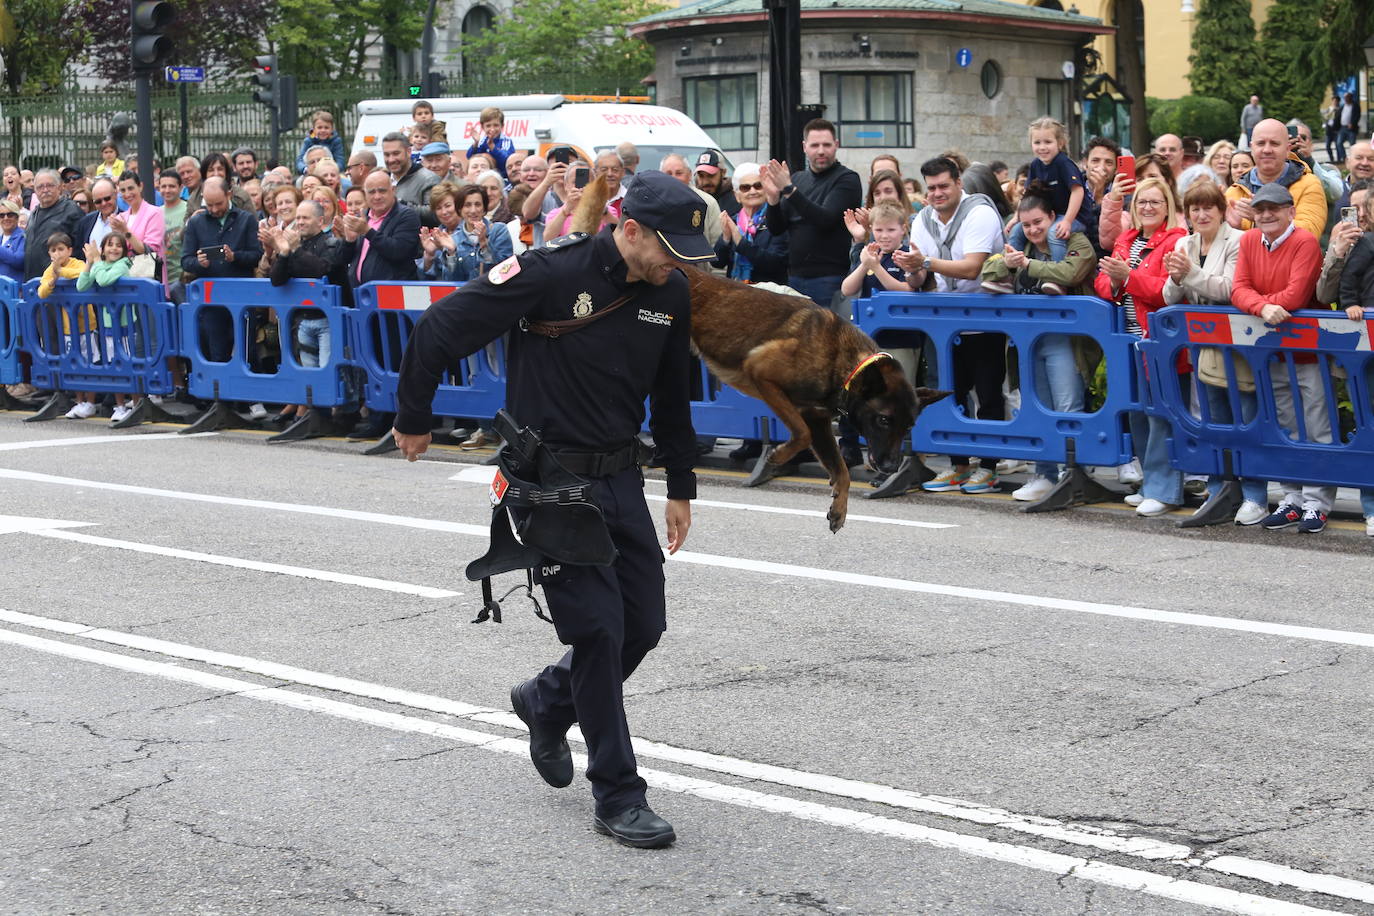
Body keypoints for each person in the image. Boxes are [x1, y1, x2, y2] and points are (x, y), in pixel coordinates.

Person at [391, 171, 707, 850]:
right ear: (628, 230)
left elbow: (674, 396)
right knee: (597, 631)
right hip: (550, 482)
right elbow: (442, 326)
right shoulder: (548, 274)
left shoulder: (672, 291)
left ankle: (547, 700)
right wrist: (414, 414)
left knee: (642, 627)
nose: (676, 264)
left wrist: (682, 484)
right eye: (667, 249)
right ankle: (619, 794)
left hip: (621, 478)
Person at [977, 194, 1096, 501]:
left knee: (1068, 406)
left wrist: (1029, 265)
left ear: (1054, 217)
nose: (1032, 230)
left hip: (1066, 340)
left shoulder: (1074, 239)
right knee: (1037, 408)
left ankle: (1074, 472)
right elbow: (986, 274)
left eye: (1038, 222)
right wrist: (1006, 263)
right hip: (1027, 343)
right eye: (1026, 224)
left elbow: (1072, 272)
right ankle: (1044, 473)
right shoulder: (1020, 244)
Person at [899, 156, 1006, 495]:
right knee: (951, 394)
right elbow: (920, 277)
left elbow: (972, 267)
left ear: (960, 183)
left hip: (985, 318)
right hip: (943, 324)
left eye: (944, 186)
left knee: (988, 393)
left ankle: (988, 467)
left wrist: (925, 262)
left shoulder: (980, 212)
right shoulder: (922, 220)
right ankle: (959, 465)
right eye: (931, 188)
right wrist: (912, 269)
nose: (937, 194)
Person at [1226, 183, 1328, 533]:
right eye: (1260, 209)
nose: (1267, 214)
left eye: (1274, 208)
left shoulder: (1305, 241)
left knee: (1316, 427)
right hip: (1271, 349)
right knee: (1286, 427)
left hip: (1308, 352)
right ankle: (1292, 498)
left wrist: (1265, 302)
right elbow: (1238, 288)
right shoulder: (1249, 240)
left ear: (1291, 211)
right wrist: (1264, 306)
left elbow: (1297, 294)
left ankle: (1317, 503)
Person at [1160, 180, 1258, 525]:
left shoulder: (1238, 240)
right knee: (1214, 421)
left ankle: (1254, 494)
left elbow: (1230, 289)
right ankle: (1219, 488)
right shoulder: (1185, 243)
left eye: (1208, 208)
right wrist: (1175, 277)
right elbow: (1169, 297)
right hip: (1202, 344)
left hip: (1237, 345)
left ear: (1221, 211)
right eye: (1195, 209)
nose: (1201, 215)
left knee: (1244, 418)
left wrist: (1190, 273)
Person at [1093, 177, 1188, 517]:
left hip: (1160, 341)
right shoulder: (1126, 238)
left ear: (1168, 207)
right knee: (1138, 414)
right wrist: (1119, 279)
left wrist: (1127, 277)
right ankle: (1150, 483)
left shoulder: (1178, 241)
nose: (1148, 208)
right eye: (1142, 202)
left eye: (1155, 202)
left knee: (1162, 416)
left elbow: (1167, 290)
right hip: (1128, 338)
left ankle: (1165, 490)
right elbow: (1103, 282)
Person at [336, 170, 421, 442]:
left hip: (392, 307)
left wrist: (368, 233)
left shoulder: (405, 216)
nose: (376, 196)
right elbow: (344, 259)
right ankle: (376, 418)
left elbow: (399, 251)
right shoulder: (364, 219)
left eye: (381, 191)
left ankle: (395, 420)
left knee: (393, 362)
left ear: (392, 189)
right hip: (364, 304)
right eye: (371, 192)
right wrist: (350, 239)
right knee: (371, 363)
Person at [762, 118, 863, 311]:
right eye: (815, 145)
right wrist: (773, 199)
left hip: (829, 278)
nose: (821, 151)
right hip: (794, 276)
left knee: (825, 339)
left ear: (836, 145)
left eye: (826, 144)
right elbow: (776, 228)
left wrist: (789, 190)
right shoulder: (798, 178)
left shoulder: (847, 179)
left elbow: (825, 219)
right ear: (804, 147)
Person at [179, 178, 262, 363]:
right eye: (209, 205)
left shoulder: (246, 219)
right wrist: (200, 263)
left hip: (242, 295)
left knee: (246, 350)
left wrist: (235, 257)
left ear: (229, 195)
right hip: (211, 299)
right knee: (216, 352)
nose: (215, 209)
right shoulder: (196, 222)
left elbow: (257, 255)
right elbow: (185, 260)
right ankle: (219, 391)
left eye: (219, 204)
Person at [1338, 190, 1374, 536]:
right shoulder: (1365, 243)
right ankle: (1372, 507)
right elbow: (1348, 280)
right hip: (1367, 344)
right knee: (1369, 424)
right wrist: (1350, 303)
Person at [1226, 119, 1328, 241]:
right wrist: (1234, 230)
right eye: (1261, 143)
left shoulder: (1309, 184)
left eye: (1274, 143)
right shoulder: (1235, 191)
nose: (1267, 150)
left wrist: (1260, 217)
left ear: (1287, 149)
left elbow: (1309, 235)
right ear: (1251, 148)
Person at [74, 232, 136, 422]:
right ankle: (120, 406)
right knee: (113, 365)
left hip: (125, 325)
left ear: (124, 251)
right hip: (108, 327)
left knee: (128, 365)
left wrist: (96, 261)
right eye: (110, 245)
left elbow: (104, 280)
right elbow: (81, 285)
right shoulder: (100, 266)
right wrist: (89, 262)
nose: (114, 248)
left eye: (118, 245)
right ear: (103, 249)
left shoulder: (123, 266)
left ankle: (137, 402)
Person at [1009, 117, 1086, 264]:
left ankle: (1056, 274)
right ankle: (1009, 271)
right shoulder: (1035, 165)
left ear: (1060, 143)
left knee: (1054, 233)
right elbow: (1027, 194)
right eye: (1037, 142)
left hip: (1075, 217)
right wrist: (1016, 217)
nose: (1042, 147)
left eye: (1048, 142)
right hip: (1052, 215)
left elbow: (1078, 191)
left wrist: (1067, 221)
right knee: (1017, 230)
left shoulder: (1064, 163)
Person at [418, 183, 513, 283]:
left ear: (484, 209)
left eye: (478, 204)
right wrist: (451, 253)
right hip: (466, 296)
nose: (473, 210)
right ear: (460, 210)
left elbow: (506, 272)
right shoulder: (453, 239)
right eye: (467, 205)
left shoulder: (498, 230)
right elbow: (450, 282)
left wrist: (484, 244)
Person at [712, 162, 787, 286]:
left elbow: (777, 264)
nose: (752, 191)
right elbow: (717, 263)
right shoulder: (734, 221)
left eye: (758, 186)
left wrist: (741, 243)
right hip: (738, 293)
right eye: (745, 188)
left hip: (771, 295)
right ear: (737, 196)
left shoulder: (777, 219)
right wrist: (725, 239)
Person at [840, 200, 910, 299]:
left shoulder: (906, 255)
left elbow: (907, 290)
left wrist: (876, 268)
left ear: (903, 229)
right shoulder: (871, 253)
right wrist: (864, 265)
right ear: (871, 229)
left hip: (896, 312)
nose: (885, 236)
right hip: (869, 312)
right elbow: (847, 290)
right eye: (879, 230)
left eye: (891, 230)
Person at [24, 169, 83, 280]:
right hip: (33, 281)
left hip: (59, 282)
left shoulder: (72, 211)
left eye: (50, 185)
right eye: (40, 187)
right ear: (35, 191)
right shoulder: (33, 214)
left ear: (59, 187)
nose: (45, 190)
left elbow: (79, 248)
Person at [382, 131, 440, 207]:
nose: (391, 159)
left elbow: (433, 213)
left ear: (409, 152)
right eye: (387, 155)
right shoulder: (381, 179)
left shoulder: (429, 179)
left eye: (396, 154)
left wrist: (400, 205)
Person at [465, 106, 518, 180]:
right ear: (482, 127)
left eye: (496, 125)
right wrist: (476, 143)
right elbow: (470, 157)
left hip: (503, 179)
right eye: (488, 126)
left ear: (502, 126)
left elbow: (506, 161)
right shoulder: (483, 141)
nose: (492, 129)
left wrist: (493, 147)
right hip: (484, 179)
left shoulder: (506, 141)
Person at [694, 150, 739, 218]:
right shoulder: (693, 198)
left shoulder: (737, 200)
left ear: (723, 172)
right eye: (701, 176)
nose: (706, 182)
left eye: (711, 175)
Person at [0, 199, 24, 282]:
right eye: (2, 216)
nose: (5, 218)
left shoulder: (23, 237)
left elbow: (18, 260)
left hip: (14, 291)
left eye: (10, 215)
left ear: (17, 217)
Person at [1336, 92, 1361, 164]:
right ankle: (1344, 158)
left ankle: (1353, 158)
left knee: (1352, 144)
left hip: (1351, 128)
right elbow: (1339, 116)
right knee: (1339, 143)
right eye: (1345, 98)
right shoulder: (1343, 106)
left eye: (1347, 97)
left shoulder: (1355, 106)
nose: (1345, 99)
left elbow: (1357, 116)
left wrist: (1353, 123)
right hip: (1342, 128)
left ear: (1350, 98)